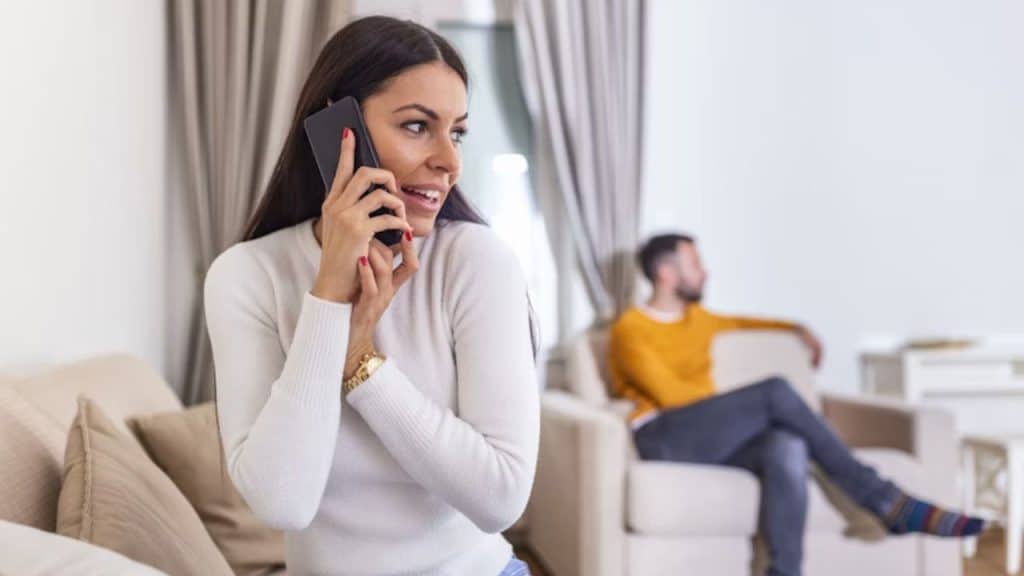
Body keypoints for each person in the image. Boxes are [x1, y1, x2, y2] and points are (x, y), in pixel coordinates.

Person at [203, 16, 538, 576]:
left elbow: (500, 497)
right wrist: (329, 298)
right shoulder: (246, 275)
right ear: (342, 130)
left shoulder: (476, 261)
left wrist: (362, 364)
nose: (450, 162)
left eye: (456, 132)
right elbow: (282, 502)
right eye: (417, 126)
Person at [609, 233, 985, 576]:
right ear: (666, 273)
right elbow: (673, 397)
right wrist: (746, 412)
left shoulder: (698, 319)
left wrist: (796, 329)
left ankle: (785, 571)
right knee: (774, 393)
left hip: (709, 437)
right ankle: (886, 501)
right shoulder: (630, 328)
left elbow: (746, 323)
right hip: (662, 436)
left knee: (787, 445)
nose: (705, 271)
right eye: (694, 264)